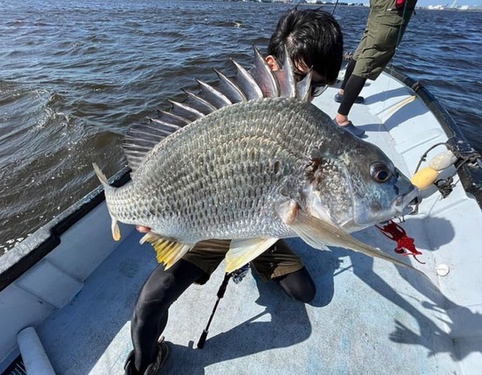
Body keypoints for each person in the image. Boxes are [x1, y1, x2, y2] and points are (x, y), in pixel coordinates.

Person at [124, 8, 343, 375]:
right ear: (273, 65)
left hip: (260, 222)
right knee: (150, 303)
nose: (308, 91)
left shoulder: (306, 128)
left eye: (317, 85)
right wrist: (156, 211)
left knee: (304, 292)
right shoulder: (234, 112)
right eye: (301, 77)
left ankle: (253, 258)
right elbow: (181, 167)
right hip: (206, 221)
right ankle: (147, 362)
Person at [334, 0, 418, 138]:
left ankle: (343, 93)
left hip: (384, 8)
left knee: (364, 49)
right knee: (370, 57)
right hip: (392, 10)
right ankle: (341, 119)